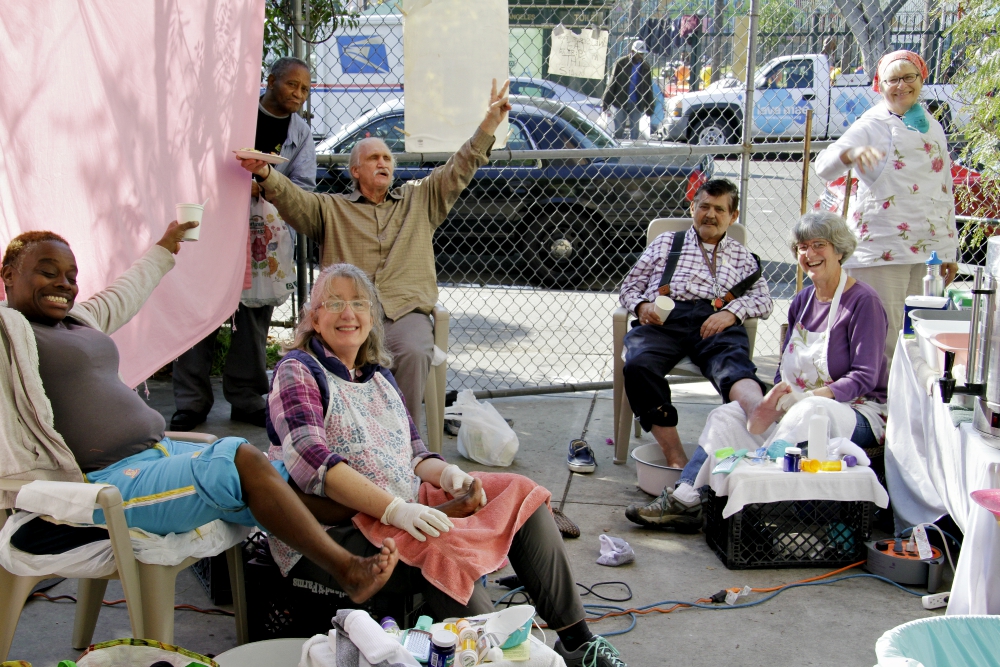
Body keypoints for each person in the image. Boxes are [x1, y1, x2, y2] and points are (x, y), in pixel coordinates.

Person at [0, 225, 397, 603]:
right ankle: (348, 571)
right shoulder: (8, 331)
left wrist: (163, 249)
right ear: (8, 275)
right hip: (101, 484)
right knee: (237, 457)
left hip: (161, 453)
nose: (62, 284)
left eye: (70, 276)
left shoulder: (78, 322)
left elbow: (124, 293)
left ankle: (407, 523)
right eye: (47, 272)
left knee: (300, 481)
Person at [265, 263, 629, 667]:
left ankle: (578, 642)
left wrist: (451, 477)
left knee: (518, 492)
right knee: (445, 550)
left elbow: (416, 454)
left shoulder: (378, 377)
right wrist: (394, 510)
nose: (348, 314)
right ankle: (492, 656)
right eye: (334, 303)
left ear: (373, 317)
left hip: (404, 502)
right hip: (338, 525)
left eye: (358, 303)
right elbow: (309, 461)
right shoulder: (298, 370)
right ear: (314, 317)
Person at [238, 80, 512, 428]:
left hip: (403, 312)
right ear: (355, 171)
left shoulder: (421, 198)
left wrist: (489, 123)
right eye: (373, 158)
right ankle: (344, 436)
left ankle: (405, 443)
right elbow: (293, 199)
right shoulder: (331, 208)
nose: (382, 162)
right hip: (349, 313)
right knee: (322, 355)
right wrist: (264, 173)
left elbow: (462, 166)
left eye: (387, 157)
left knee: (413, 350)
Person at [627, 212, 888, 529]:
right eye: (802, 247)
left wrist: (808, 398)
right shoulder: (802, 300)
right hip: (797, 411)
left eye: (819, 245)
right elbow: (786, 368)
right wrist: (779, 397)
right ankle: (686, 498)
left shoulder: (864, 301)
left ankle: (754, 495)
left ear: (839, 250)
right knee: (728, 415)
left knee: (812, 411)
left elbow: (865, 376)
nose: (809, 254)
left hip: (855, 411)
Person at [170, 56, 318, 431]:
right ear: (270, 81)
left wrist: (267, 184)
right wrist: (233, 186)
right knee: (199, 311)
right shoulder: (234, 115)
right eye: (292, 85)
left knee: (252, 320)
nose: (298, 94)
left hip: (262, 236)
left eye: (304, 88)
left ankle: (247, 397)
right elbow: (198, 159)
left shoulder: (301, 133)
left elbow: (304, 187)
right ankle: (191, 401)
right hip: (216, 226)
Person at [618, 178, 773, 520]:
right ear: (692, 208)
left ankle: (758, 411)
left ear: (732, 216)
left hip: (714, 322)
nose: (710, 215)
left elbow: (764, 300)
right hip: (665, 320)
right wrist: (643, 306)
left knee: (733, 366)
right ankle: (675, 457)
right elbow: (628, 287)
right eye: (704, 206)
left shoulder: (743, 257)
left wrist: (732, 312)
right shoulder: (666, 243)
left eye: (719, 209)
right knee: (638, 365)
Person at [815, 50, 957, 362]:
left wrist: (949, 251)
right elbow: (824, 166)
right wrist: (850, 156)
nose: (902, 86)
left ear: (922, 79)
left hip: (928, 252)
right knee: (882, 341)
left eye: (909, 78)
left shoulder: (930, 124)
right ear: (880, 84)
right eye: (894, 79)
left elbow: (944, 189)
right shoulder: (872, 125)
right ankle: (876, 409)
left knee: (922, 339)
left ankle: (909, 410)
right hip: (882, 253)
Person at [603, 40, 655, 140]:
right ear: (632, 51)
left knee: (635, 131)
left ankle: (632, 152)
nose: (640, 56)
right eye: (638, 54)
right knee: (618, 130)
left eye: (642, 54)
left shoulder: (645, 67)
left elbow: (648, 87)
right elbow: (612, 82)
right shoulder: (621, 63)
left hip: (637, 102)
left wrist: (649, 106)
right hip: (621, 101)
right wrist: (606, 102)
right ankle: (617, 150)